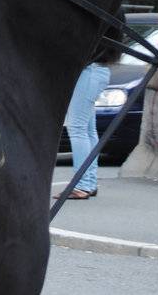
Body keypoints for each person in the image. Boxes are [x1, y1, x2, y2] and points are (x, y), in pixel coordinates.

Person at [63, 38, 116, 200]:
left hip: (88, 70)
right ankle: (89, 182)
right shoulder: (111, 18)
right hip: (97, 69)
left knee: (77, 128)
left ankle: (82, 185)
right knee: (87, 129)